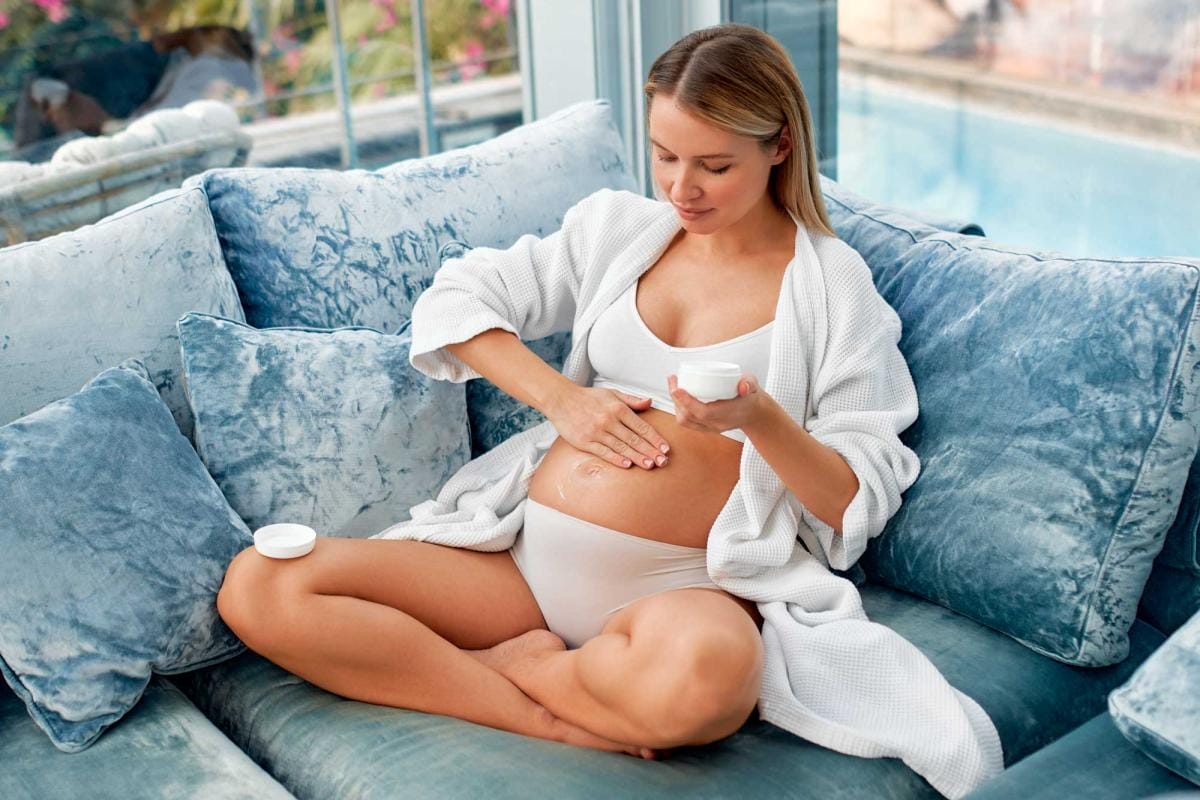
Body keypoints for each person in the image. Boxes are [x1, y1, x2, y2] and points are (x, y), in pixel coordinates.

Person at [216, 24, 1001, 793]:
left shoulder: (832, 286)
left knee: (707, 684)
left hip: (681, 588)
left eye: (714, 165)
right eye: (664, 156)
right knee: (261, 585)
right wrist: (564, 401)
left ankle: (527, 668)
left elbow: (855, 497)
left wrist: (759, 419)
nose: (681, 188)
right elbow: (458, 298)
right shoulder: (617, 231)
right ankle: (543, 711)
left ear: (780, 146)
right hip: (520, 570)